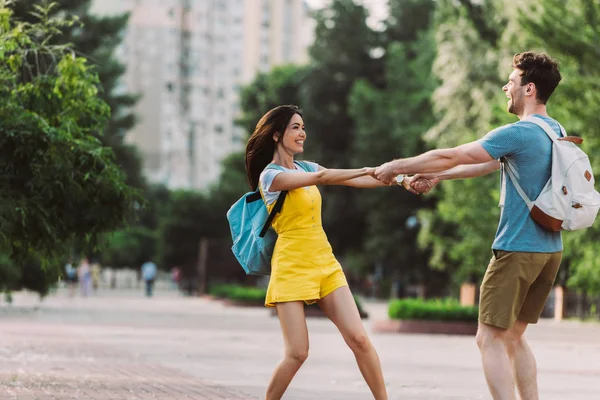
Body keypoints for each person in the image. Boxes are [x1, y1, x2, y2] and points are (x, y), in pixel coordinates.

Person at [375, 51, 564, 400]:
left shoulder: (519, 133)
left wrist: (395, 165)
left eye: (512, 81)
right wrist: (436, 177)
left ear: (529, 89)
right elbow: (487, 165)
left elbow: (454, 153)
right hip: (550, 250)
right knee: (513, 336)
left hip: (518, 248)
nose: (506, 86)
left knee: (487, 337)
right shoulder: (555, 131)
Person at [246, 105, 409, 400]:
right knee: (297, 353)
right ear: (275, 135)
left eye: (303, 127)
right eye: (295, 127)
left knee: (359, 338)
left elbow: (356, 181)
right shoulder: (270, 177)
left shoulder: (307, 166)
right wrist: (371, 168)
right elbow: (325, 178)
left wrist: (399, 179)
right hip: (292, 264)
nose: (302, 133)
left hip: (324, 262)